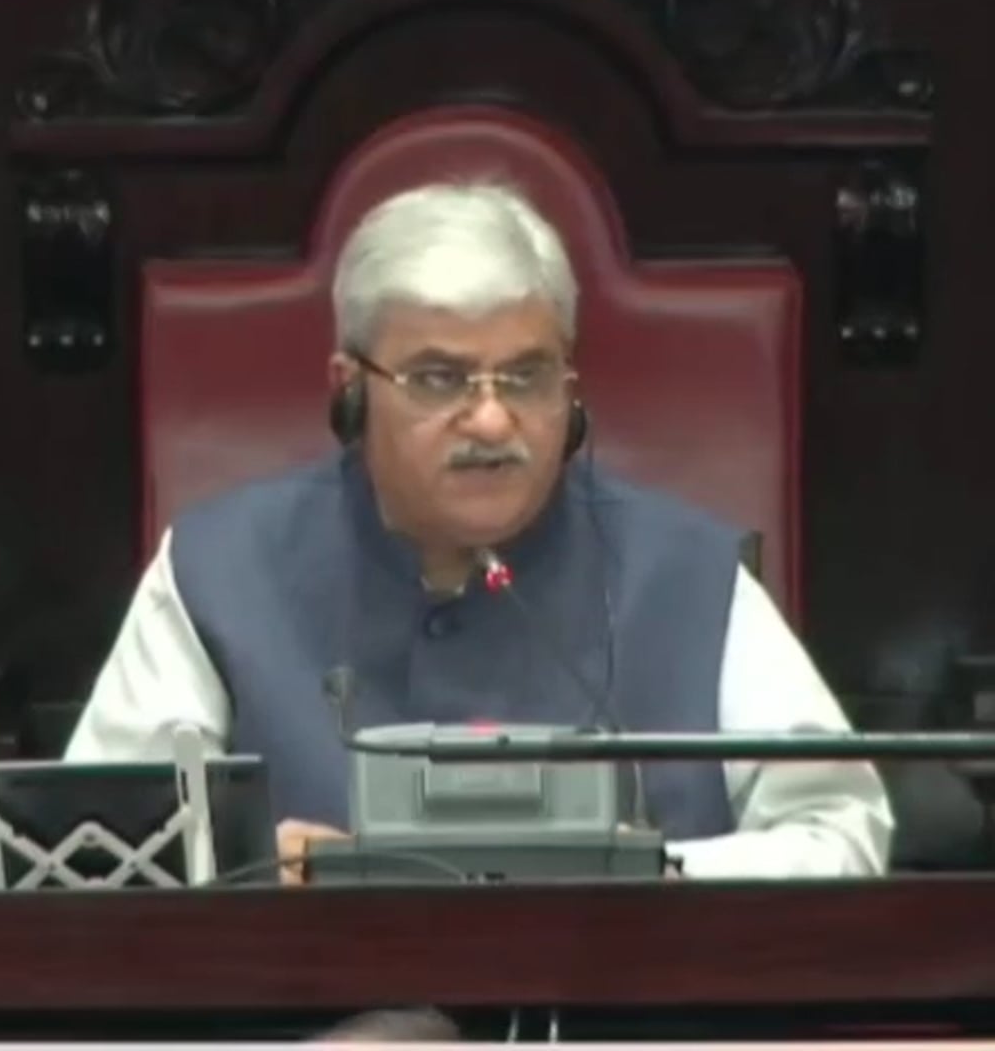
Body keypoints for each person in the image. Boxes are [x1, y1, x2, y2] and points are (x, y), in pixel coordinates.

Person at [65, 180, 893, 881]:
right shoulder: (219, 570)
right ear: (349, 391)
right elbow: (90, 854)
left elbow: (842, 833)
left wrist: (647, 875)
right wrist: (246, 875)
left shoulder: (687, 574)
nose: (493, 421)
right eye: (439, 378)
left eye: (527, 377)